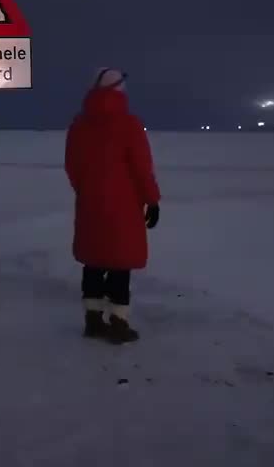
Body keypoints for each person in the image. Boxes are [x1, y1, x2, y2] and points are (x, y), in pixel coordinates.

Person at [64, 68, 162, 344]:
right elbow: (142, 168)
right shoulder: (129, 125)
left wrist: (86, 191)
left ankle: (93, 321)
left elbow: (72, 166)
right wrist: (151, 199)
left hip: (90, 204)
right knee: (120, 262)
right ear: (118, 89)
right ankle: (119, 322)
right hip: (124, 205)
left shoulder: (79, 125)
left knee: (93, 260)